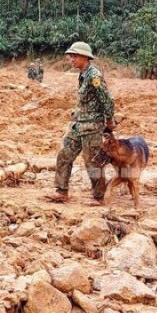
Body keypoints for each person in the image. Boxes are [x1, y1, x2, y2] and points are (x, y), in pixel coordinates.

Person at [47, 42, 115, 206]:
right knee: (64, 154)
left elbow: (107, 99)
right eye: (71, 56)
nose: (71, 59)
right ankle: (61, 191)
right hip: (78, 125)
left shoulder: (94, 76)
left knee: (92, 161)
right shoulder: (83, 74)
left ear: (85, 57)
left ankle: (99, 196)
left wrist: (110, 121)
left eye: (74, 56)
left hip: (92, 127)